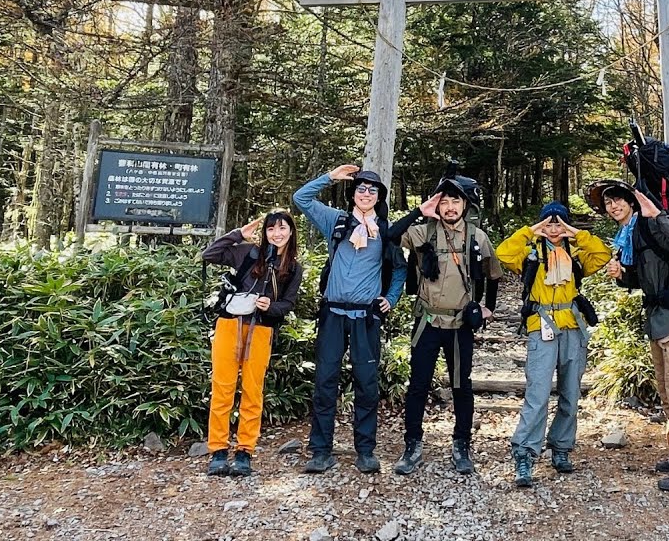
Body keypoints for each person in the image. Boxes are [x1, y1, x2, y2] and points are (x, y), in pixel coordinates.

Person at [589, 179, 669, 492]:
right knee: (667, 390)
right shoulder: (631, 235)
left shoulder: (651, 223)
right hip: (657, 317)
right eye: (608, 203)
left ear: (631, 201)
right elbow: (646, 278)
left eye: (618, 200)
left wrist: (656, 214)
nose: (613, 207)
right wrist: (622, 276)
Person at [292, 163, 406, 474]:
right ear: (352, 194)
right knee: (325, 381)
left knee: (367, 384)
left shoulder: (386, 230)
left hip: (365, 316)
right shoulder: (336, 221)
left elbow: (399, 269)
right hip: (332, 313)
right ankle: (320, 451)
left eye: (372, 190)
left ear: (380, 196)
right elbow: (301, 198)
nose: (366, 194)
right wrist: (328, 177)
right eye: (360, 189)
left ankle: (365, 450)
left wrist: (390, 298)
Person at [385, 174, 502, 475]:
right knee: (418, 386)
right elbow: (390, 234)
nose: (450, 207)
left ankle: (461, 443)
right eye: (445, 201)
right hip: (427, 320)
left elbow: (493, 273)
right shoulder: (423, 232)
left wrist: (488, 306)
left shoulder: (477, 236)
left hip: (461, 322)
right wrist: (419, 211)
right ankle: (412, 444)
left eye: (456, 201)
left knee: (462, 385)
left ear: (466, 204)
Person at [496, 201, 611, 487]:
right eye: (549, 222)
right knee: (538, 394)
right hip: (541, 325)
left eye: (559, 222)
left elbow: (603, 254)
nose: (554, 228)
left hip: (572, 326)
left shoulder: (576, 252)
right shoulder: (531, 253)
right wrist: (531, 230)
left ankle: (561, 447)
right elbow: (503, 253)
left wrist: (575, 233)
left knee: (571, 393)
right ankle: (524, 453)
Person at [201, 210, 302, 477]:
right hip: (229, 324)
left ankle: (245, 450)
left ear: (291, 232)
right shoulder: (247, 252)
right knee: (222, 388)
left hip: (261, 329)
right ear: (264, 232)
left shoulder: (293, 267)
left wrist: (271, 306)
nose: (276, 234)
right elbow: (209, 255)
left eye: (282, 228)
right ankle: (218, 451)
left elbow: (287, 304)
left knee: (252, 391)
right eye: (271, 229)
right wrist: (237, 235)